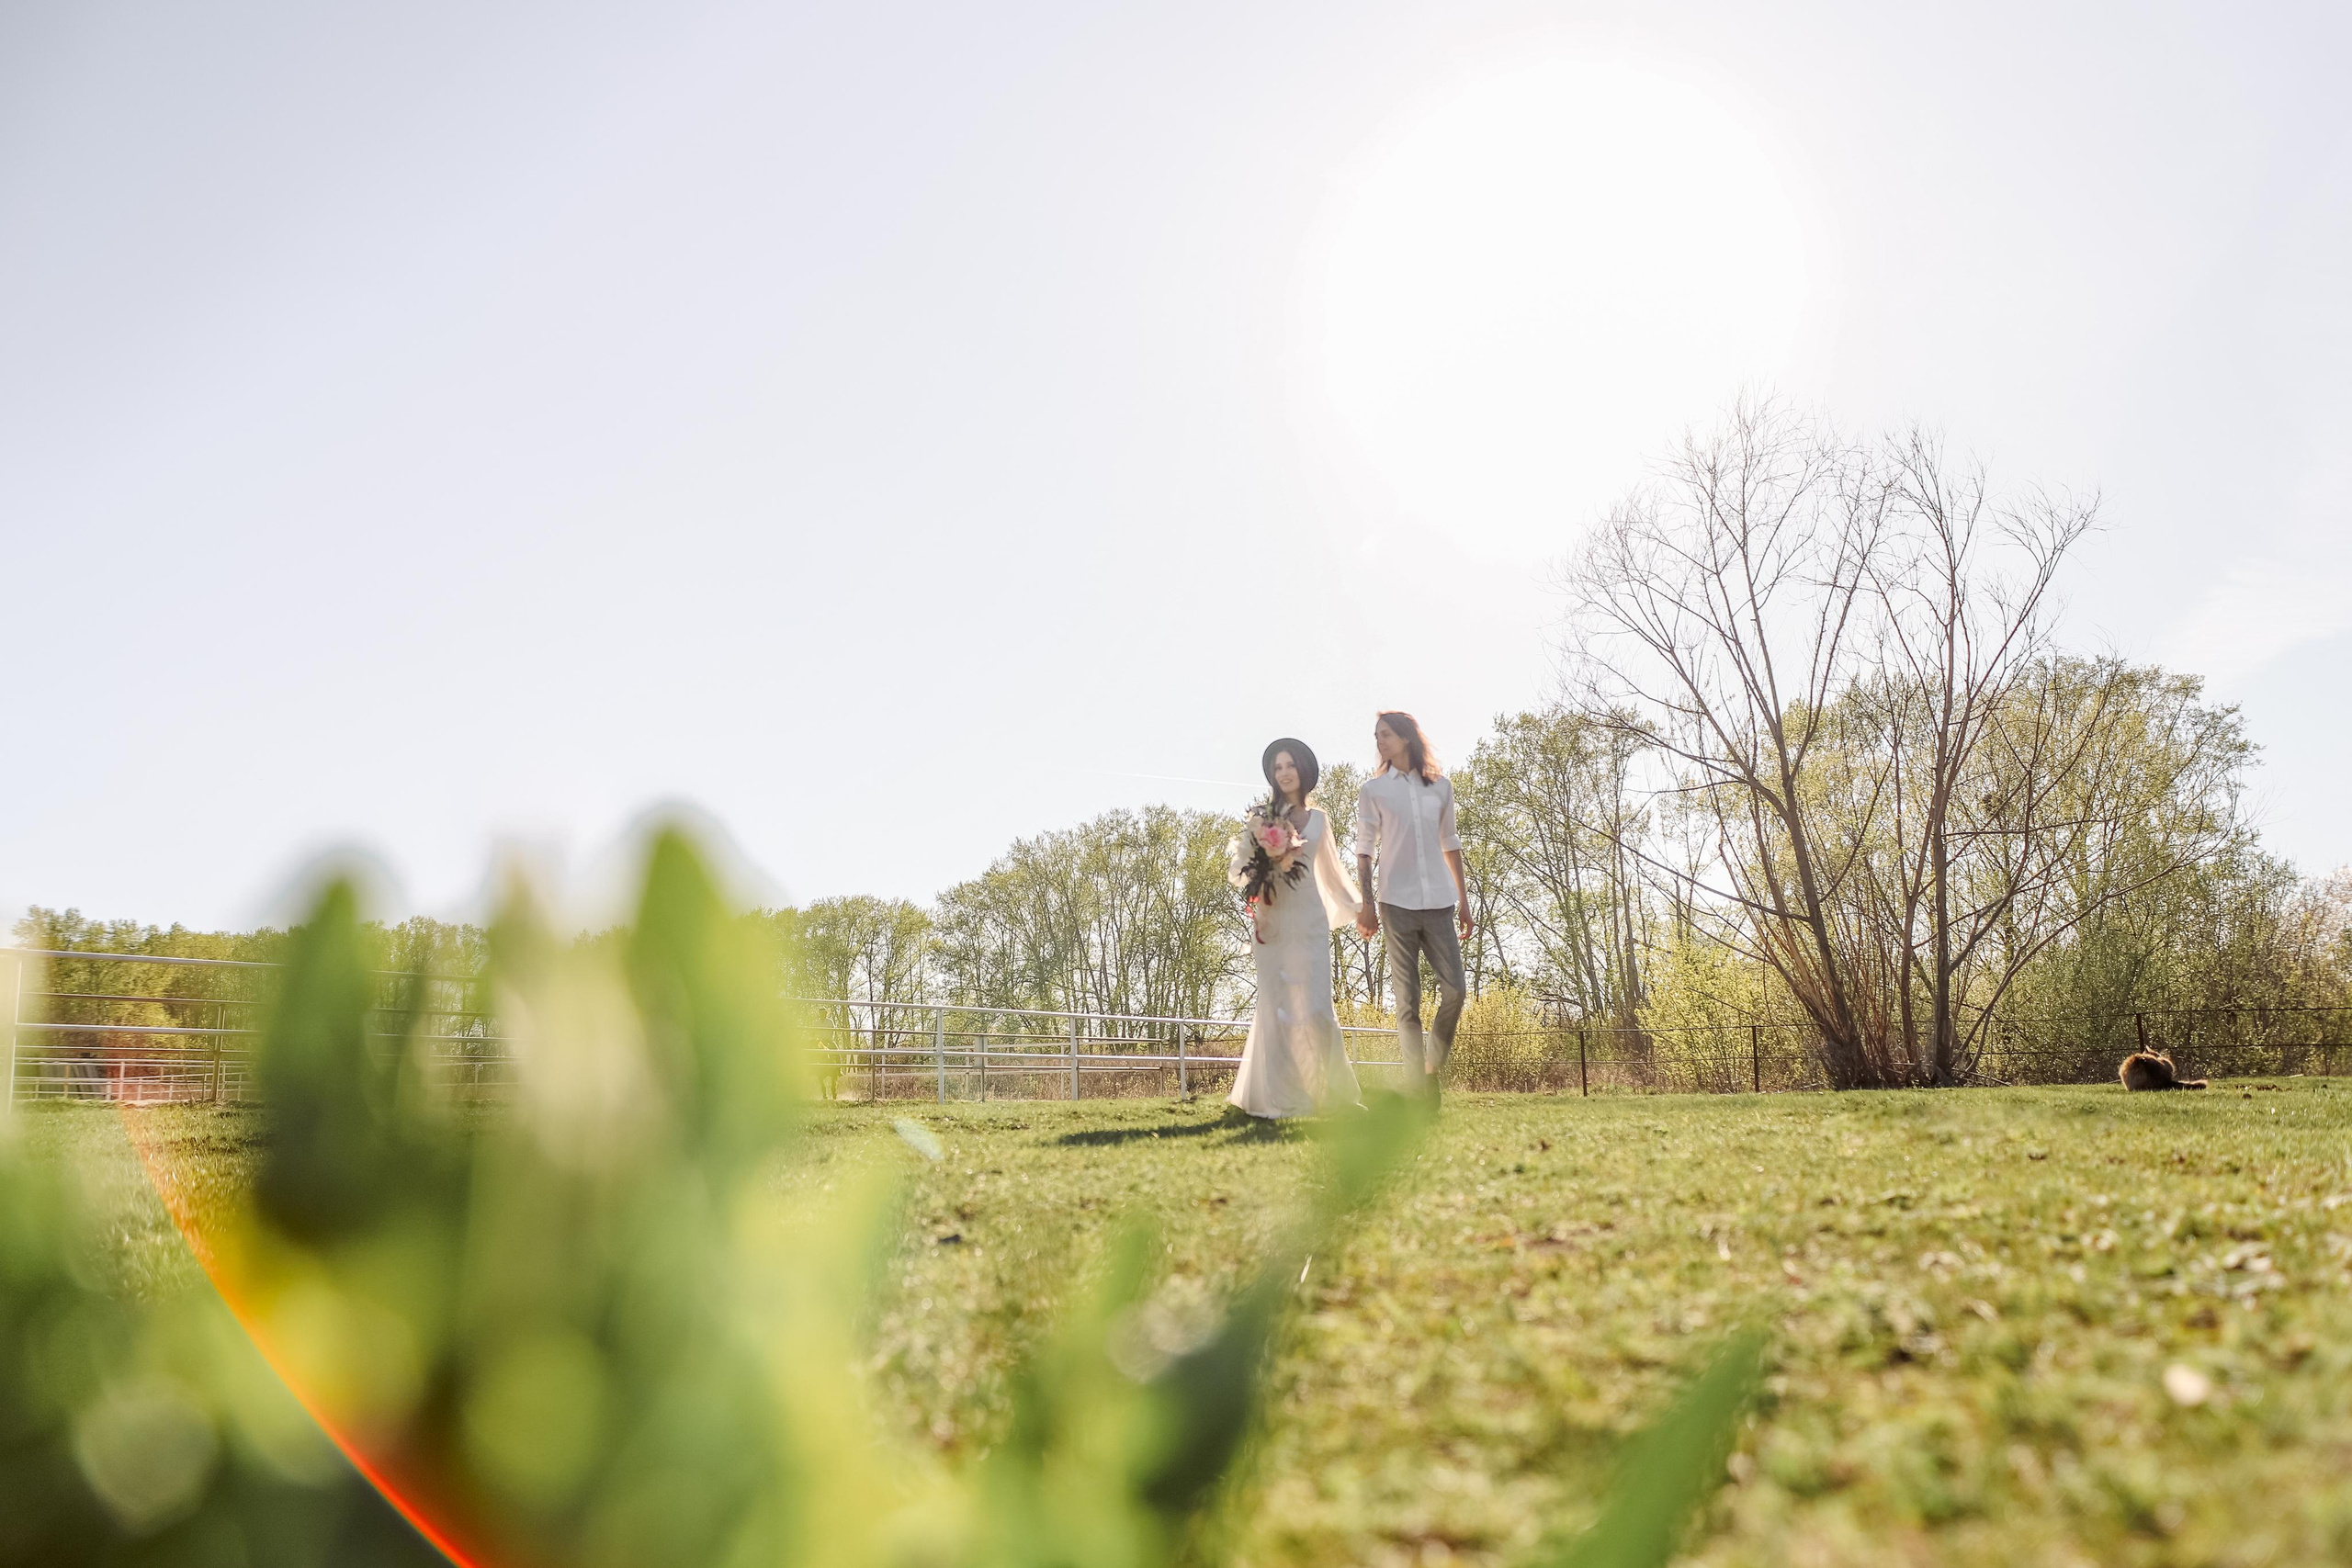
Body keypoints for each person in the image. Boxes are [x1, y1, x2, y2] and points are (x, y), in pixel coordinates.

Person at [1227, 739, 1365, 1120]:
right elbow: (1240, 872)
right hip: (1273, 923)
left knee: (1318, 1009)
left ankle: (1338, 1096)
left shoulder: (1320, 821)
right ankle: (1284, 1100)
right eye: (1277, 767)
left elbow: (1333, 874)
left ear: (1304, 770)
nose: (1284, 772)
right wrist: (1264, 865)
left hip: (1309, 922)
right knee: (1278, 1009)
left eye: (1290, 765)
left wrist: (1361, 909)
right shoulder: (1261, 816)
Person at [1354, 711, 1471, 1100]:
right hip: (1395, 903)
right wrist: (1367, 904)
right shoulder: (1374, 791)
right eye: (1376, 736)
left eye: (1385, 734)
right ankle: (1418, 1089)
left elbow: (1450, 843)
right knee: (1408, 1002)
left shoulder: (1440, 787)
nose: (1379, 742)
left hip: (1440, 902)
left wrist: (1465, 901)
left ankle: (1430, 1068)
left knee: (1455, 990)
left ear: (1406, 737)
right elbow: (1365, 850)